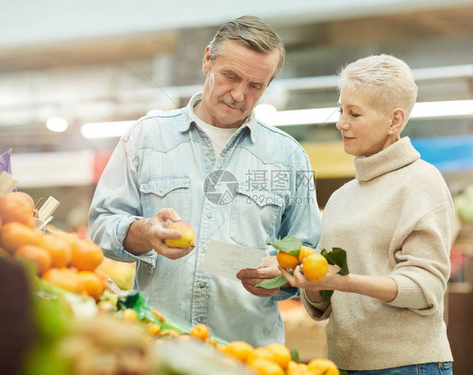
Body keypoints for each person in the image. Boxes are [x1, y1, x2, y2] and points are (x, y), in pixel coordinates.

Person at [88, 16, 321, 347]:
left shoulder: (289, 156)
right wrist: (146, 232)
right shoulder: (147, 136)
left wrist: (280, 277)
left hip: (248, 356)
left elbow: (307, 249)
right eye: (231, 76)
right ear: (207, 59)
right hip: (156, 348)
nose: (239, 94)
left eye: (255, 86)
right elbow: (102, 224)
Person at [281, 54, 454, 374]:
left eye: (354, 113)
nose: (340, 122)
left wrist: (345, 282)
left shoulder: (421, 182)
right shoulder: (340, 197)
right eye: (341, 110)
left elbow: (424, 287)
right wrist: (313, 285)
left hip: (406, 365)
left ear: (395, 120)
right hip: (344, 364)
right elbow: (324, 304)